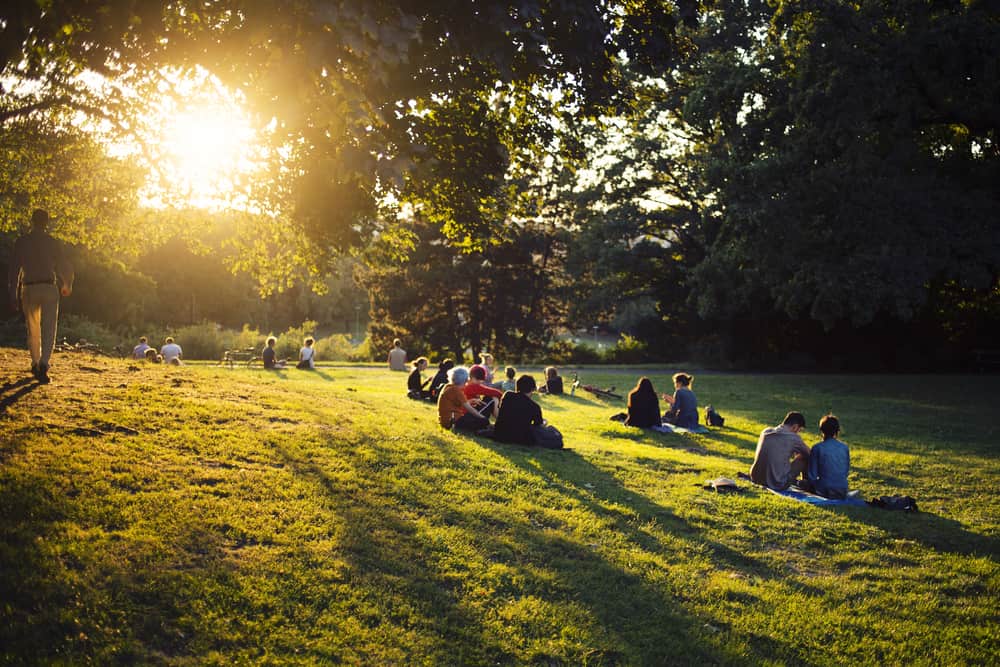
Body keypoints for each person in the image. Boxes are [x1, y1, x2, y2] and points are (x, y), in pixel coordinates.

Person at [6, 208, 74, 383]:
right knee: (49, 327)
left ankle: (36, 362)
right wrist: (67, 284)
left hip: (29, 287)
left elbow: (14, 269)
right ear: (46, 223)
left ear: (32, 221)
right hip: (49, 286)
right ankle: (44, 363)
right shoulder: (52, 242)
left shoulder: (22, 242)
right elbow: (64, 266)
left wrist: (13, 293)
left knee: (33, 328)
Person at [749, 411, 811, 490]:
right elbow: (809, 454)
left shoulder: (765, 431)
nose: (798, 433)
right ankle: (807, 485)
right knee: (803, 458)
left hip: (756, 478)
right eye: (799, 430)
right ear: (795, 427)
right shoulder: (794, 438)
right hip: (777, 483)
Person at [806, 414, 850, 499]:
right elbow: (846, 471)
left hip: (823, 490)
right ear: (837, 430)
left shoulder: (817, 448)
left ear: (821, 430)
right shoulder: (844, 447)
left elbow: (812, 476)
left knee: (802, 483)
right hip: (842, 489)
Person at [492, 374, 545, 445]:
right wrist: (544, 423)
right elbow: (538, 426)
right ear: (532, 389)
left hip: (499, 434)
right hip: (519, 439)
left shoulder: (508, 395)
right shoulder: (534, 406)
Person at [437, 366, 490, 432]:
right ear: (464, 380)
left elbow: (454, 404)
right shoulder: (456, 390)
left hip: (445, 421)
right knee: (483, 421)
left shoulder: (448, 386)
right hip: (453, 422)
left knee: (477, 417)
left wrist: (470, 401)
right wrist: (483, 418)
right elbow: (470, 409)